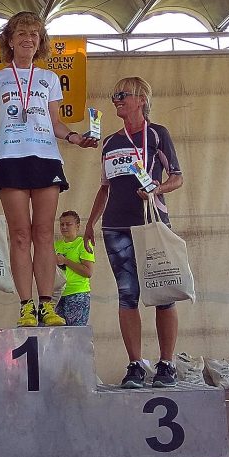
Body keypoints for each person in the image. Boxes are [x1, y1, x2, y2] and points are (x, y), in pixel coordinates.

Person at [0, 11, 97, 328]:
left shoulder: (48, 79)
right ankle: (26, 305)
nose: (28, 38)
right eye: (22, 33)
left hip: (45, 158)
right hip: (9, 158)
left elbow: (54, 122)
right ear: (10, 40)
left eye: (34, 34)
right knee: (20, 235)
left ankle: (47, 304)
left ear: (40, 42)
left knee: (44, 233)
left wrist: (74, 137)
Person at [83, 76, 184, 389]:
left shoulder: (157, 134)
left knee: (163, 293)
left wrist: (156, 189)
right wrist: (89, 223)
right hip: (116, 227)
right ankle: (136, 365)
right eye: (114, 95)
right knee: (127, 294)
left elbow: (177, 177)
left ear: (142, 99)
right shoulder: (109, 142)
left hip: (152, 223)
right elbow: (104, 187)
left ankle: (166, 363)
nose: (116, 100)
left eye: (122, 94)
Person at [54, 210, 94, 326]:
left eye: (68, 224)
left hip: (77, 293)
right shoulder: (56, 245)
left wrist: (66, 261)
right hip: (58, 294)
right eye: (62, 224)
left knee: (76, 331)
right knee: (58, 332)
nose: (64, 227)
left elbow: (88, 272)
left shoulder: (83, 244)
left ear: (77, 226)